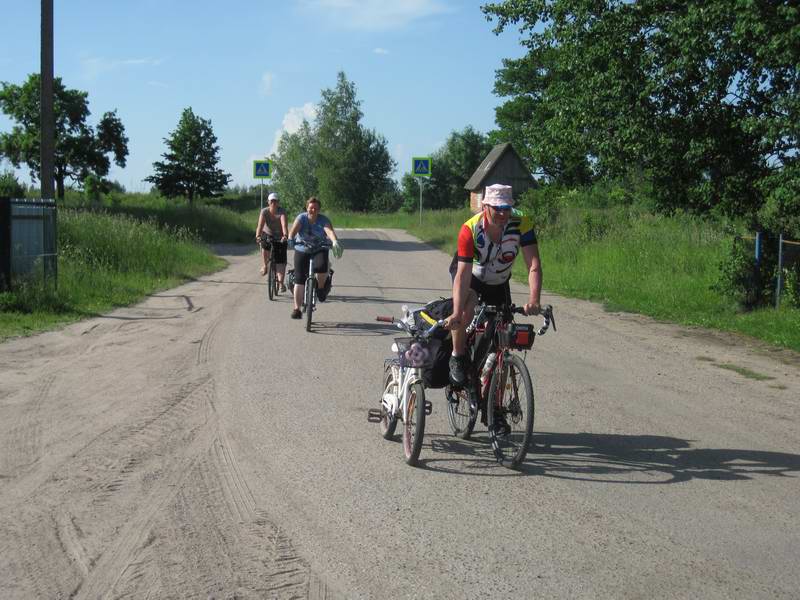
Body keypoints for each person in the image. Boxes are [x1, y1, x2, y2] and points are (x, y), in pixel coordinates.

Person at [446, 183, 542, 386]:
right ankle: (458, 356)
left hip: (499, 280)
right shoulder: (470, 229)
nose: (502, 213)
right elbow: (463, 274)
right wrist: (456, 312)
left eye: (506, 208)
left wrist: (534, 299)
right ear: (485, 206)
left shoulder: (522, 222)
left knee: (503, 336)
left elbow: (533, 264)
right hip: (470, 275)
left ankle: (496, 405)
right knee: (465, 310)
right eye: (497, 207)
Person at [287, 196, 343, 319]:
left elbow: (329, 231)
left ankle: (321, 288)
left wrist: (334, 241)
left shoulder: (323, 220)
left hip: (319, 248)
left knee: (322, 267)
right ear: (307, 208)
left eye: (316, 208)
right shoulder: (301, 218)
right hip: (302, 248)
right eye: (311, 208)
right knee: (299, 279)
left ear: (319, 210)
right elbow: (294, 230)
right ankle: (297, 309)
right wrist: (291, 238)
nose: (313, 210)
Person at [255, 192, 289, 291]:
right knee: (265, 245)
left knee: (281, 261)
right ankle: (265, 265)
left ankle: (281, 283)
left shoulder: (282, 211)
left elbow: (284, 225)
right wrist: (258, 236)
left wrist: (285, 236)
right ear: (268, 202)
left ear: (278, 202)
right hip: (267, 234)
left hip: (280, 236)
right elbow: (260, 226)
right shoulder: (264, 211)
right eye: (272, 201)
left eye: (275, 201)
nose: (273, 203)